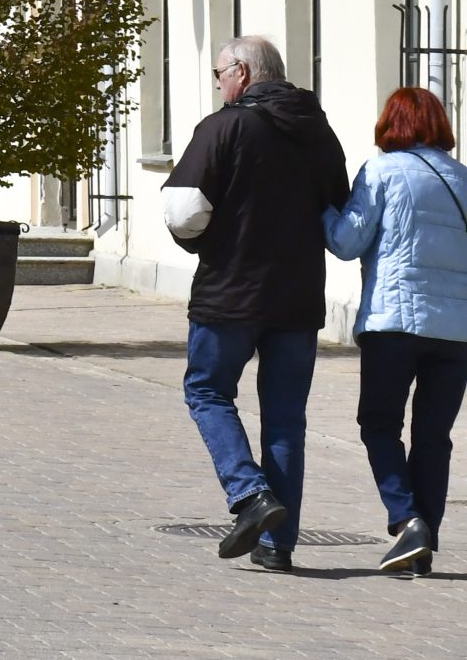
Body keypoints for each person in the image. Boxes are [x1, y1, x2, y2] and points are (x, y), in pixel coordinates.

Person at [164, 34, 351, 573]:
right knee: (286, 419)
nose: (218, 84)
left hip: (230, 293)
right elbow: (339, 210)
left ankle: (249, 494)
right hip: (297, 298)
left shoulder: (223, 127)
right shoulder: (318, 132)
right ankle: (277, 545)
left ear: (242, 73)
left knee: (206, 391)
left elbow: (182, 211)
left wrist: (206, 241)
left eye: (220, 73)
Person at [323, 84, 467, 575]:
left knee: (380, 424)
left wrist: (322, 207)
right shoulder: (463, 178)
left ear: (392, 124)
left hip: (395, 323)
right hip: (456, 332)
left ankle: (408, 520)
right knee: (434, 436)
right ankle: (421, 542)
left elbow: (346, 242)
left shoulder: (382, 171)